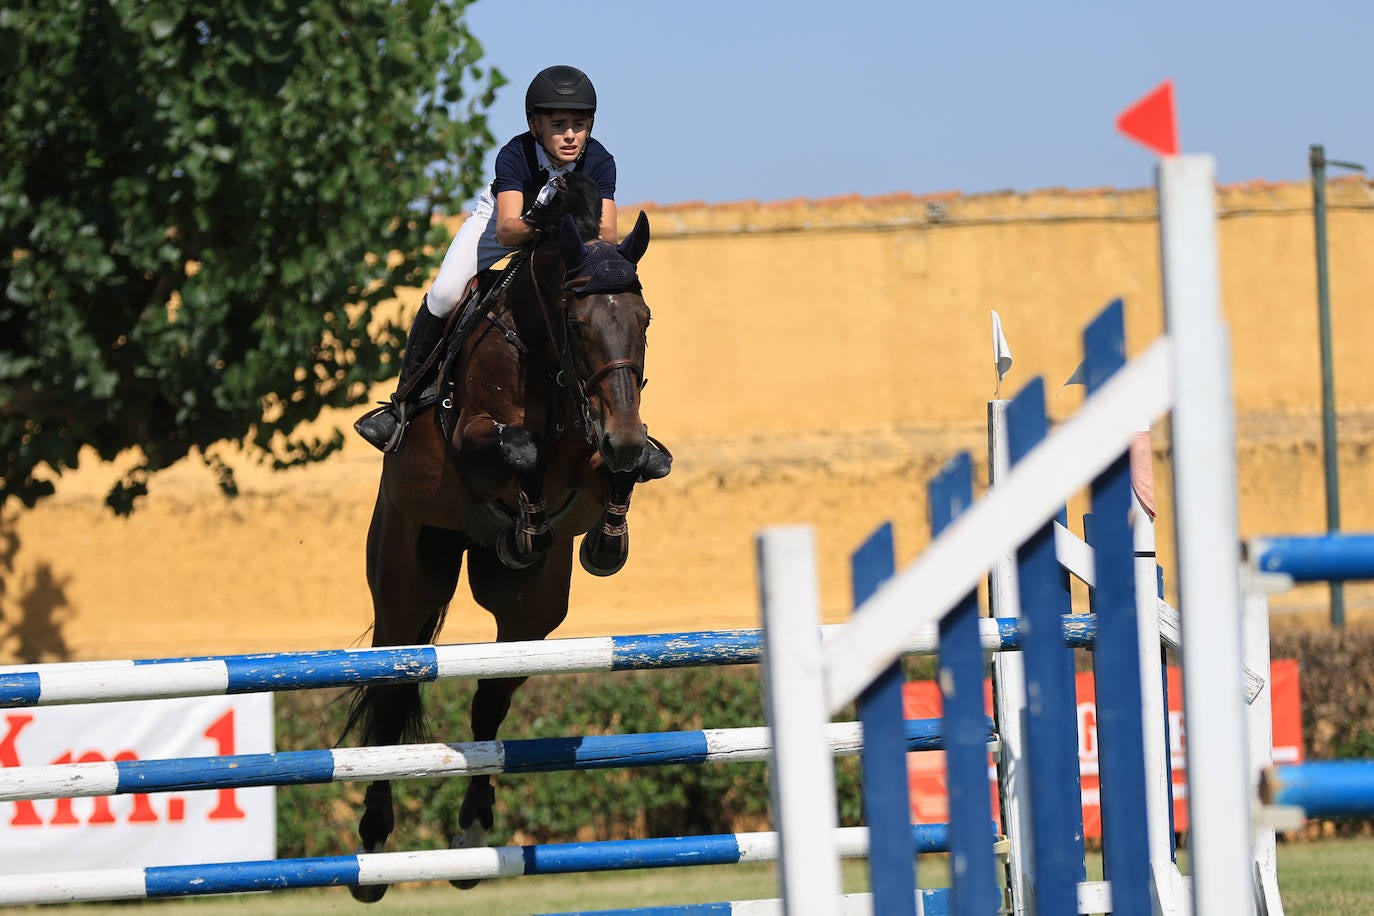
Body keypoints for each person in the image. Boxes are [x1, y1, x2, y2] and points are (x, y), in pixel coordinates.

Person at [356, 65, 617, 452]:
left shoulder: (600, 160)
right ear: (535, 126)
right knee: (445, 293)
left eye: (578, 123)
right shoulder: (515, 155)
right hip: (502, 226)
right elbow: (511, 228)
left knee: (607, 294)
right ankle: (403, 404)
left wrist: (571, 232)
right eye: (558, 123)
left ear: (591, 124)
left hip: (563, 238)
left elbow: (608, 234)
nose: (569, 134)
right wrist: (550, 222)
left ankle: (619, 419)